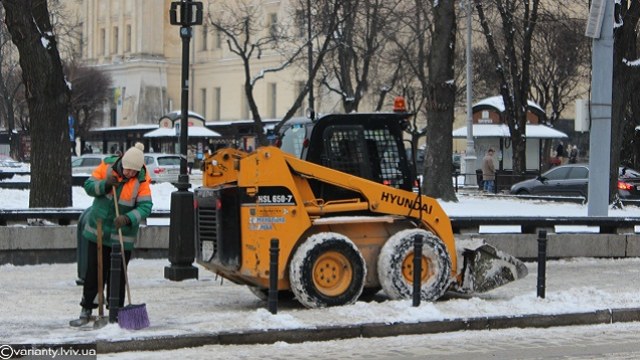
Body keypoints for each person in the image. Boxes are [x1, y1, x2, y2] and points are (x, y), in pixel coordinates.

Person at [70, 142, 153, 326]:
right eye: (127, 169)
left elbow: (146, 206)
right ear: (122, 162)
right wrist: (106, 184)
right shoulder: (107, 166)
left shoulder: (142, 180)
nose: (129, 173)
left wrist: (128, 218)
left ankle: (116, 313)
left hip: (122, 237)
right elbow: (89, 185)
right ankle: (87, 309)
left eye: (133, 171)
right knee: (93, 271)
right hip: (97, 231)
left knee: (117, 276)